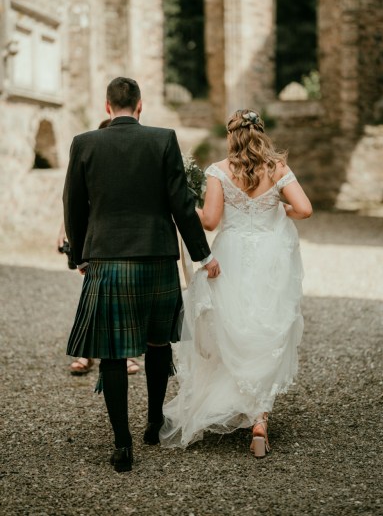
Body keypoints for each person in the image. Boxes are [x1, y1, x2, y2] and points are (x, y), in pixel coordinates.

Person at [63, 77, 220, 472]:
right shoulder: (163, 139)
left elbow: (74, 204)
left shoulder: (84, 143)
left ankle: (122, 443)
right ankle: (153, 423)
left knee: (113, 355)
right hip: (156, 258)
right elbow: (182, 204)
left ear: (106, 106)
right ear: (140, 105)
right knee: (157, 345)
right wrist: (202, 254)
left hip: (107, 259)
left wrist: (78, 256)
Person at [160, 109, 312, 457]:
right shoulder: (277, 168)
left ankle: (238, 401)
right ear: (261, 132)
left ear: (232, 136)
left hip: (232, 255)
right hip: (270, 258)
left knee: (231, 326)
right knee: (266, 326)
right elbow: (304, 209)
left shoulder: (218, 171)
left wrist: (185, 206)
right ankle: (260, 420)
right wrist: (278, 210)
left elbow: (211, 221)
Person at [57, 119, 140, 377]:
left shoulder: (129, 164)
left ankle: (122, 353)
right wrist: (64, 230)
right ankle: (89, 353)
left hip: (121, 240)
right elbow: (75, 200)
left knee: (123, 299)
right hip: (94, 239)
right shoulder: (91, 157)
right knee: (94, 298)